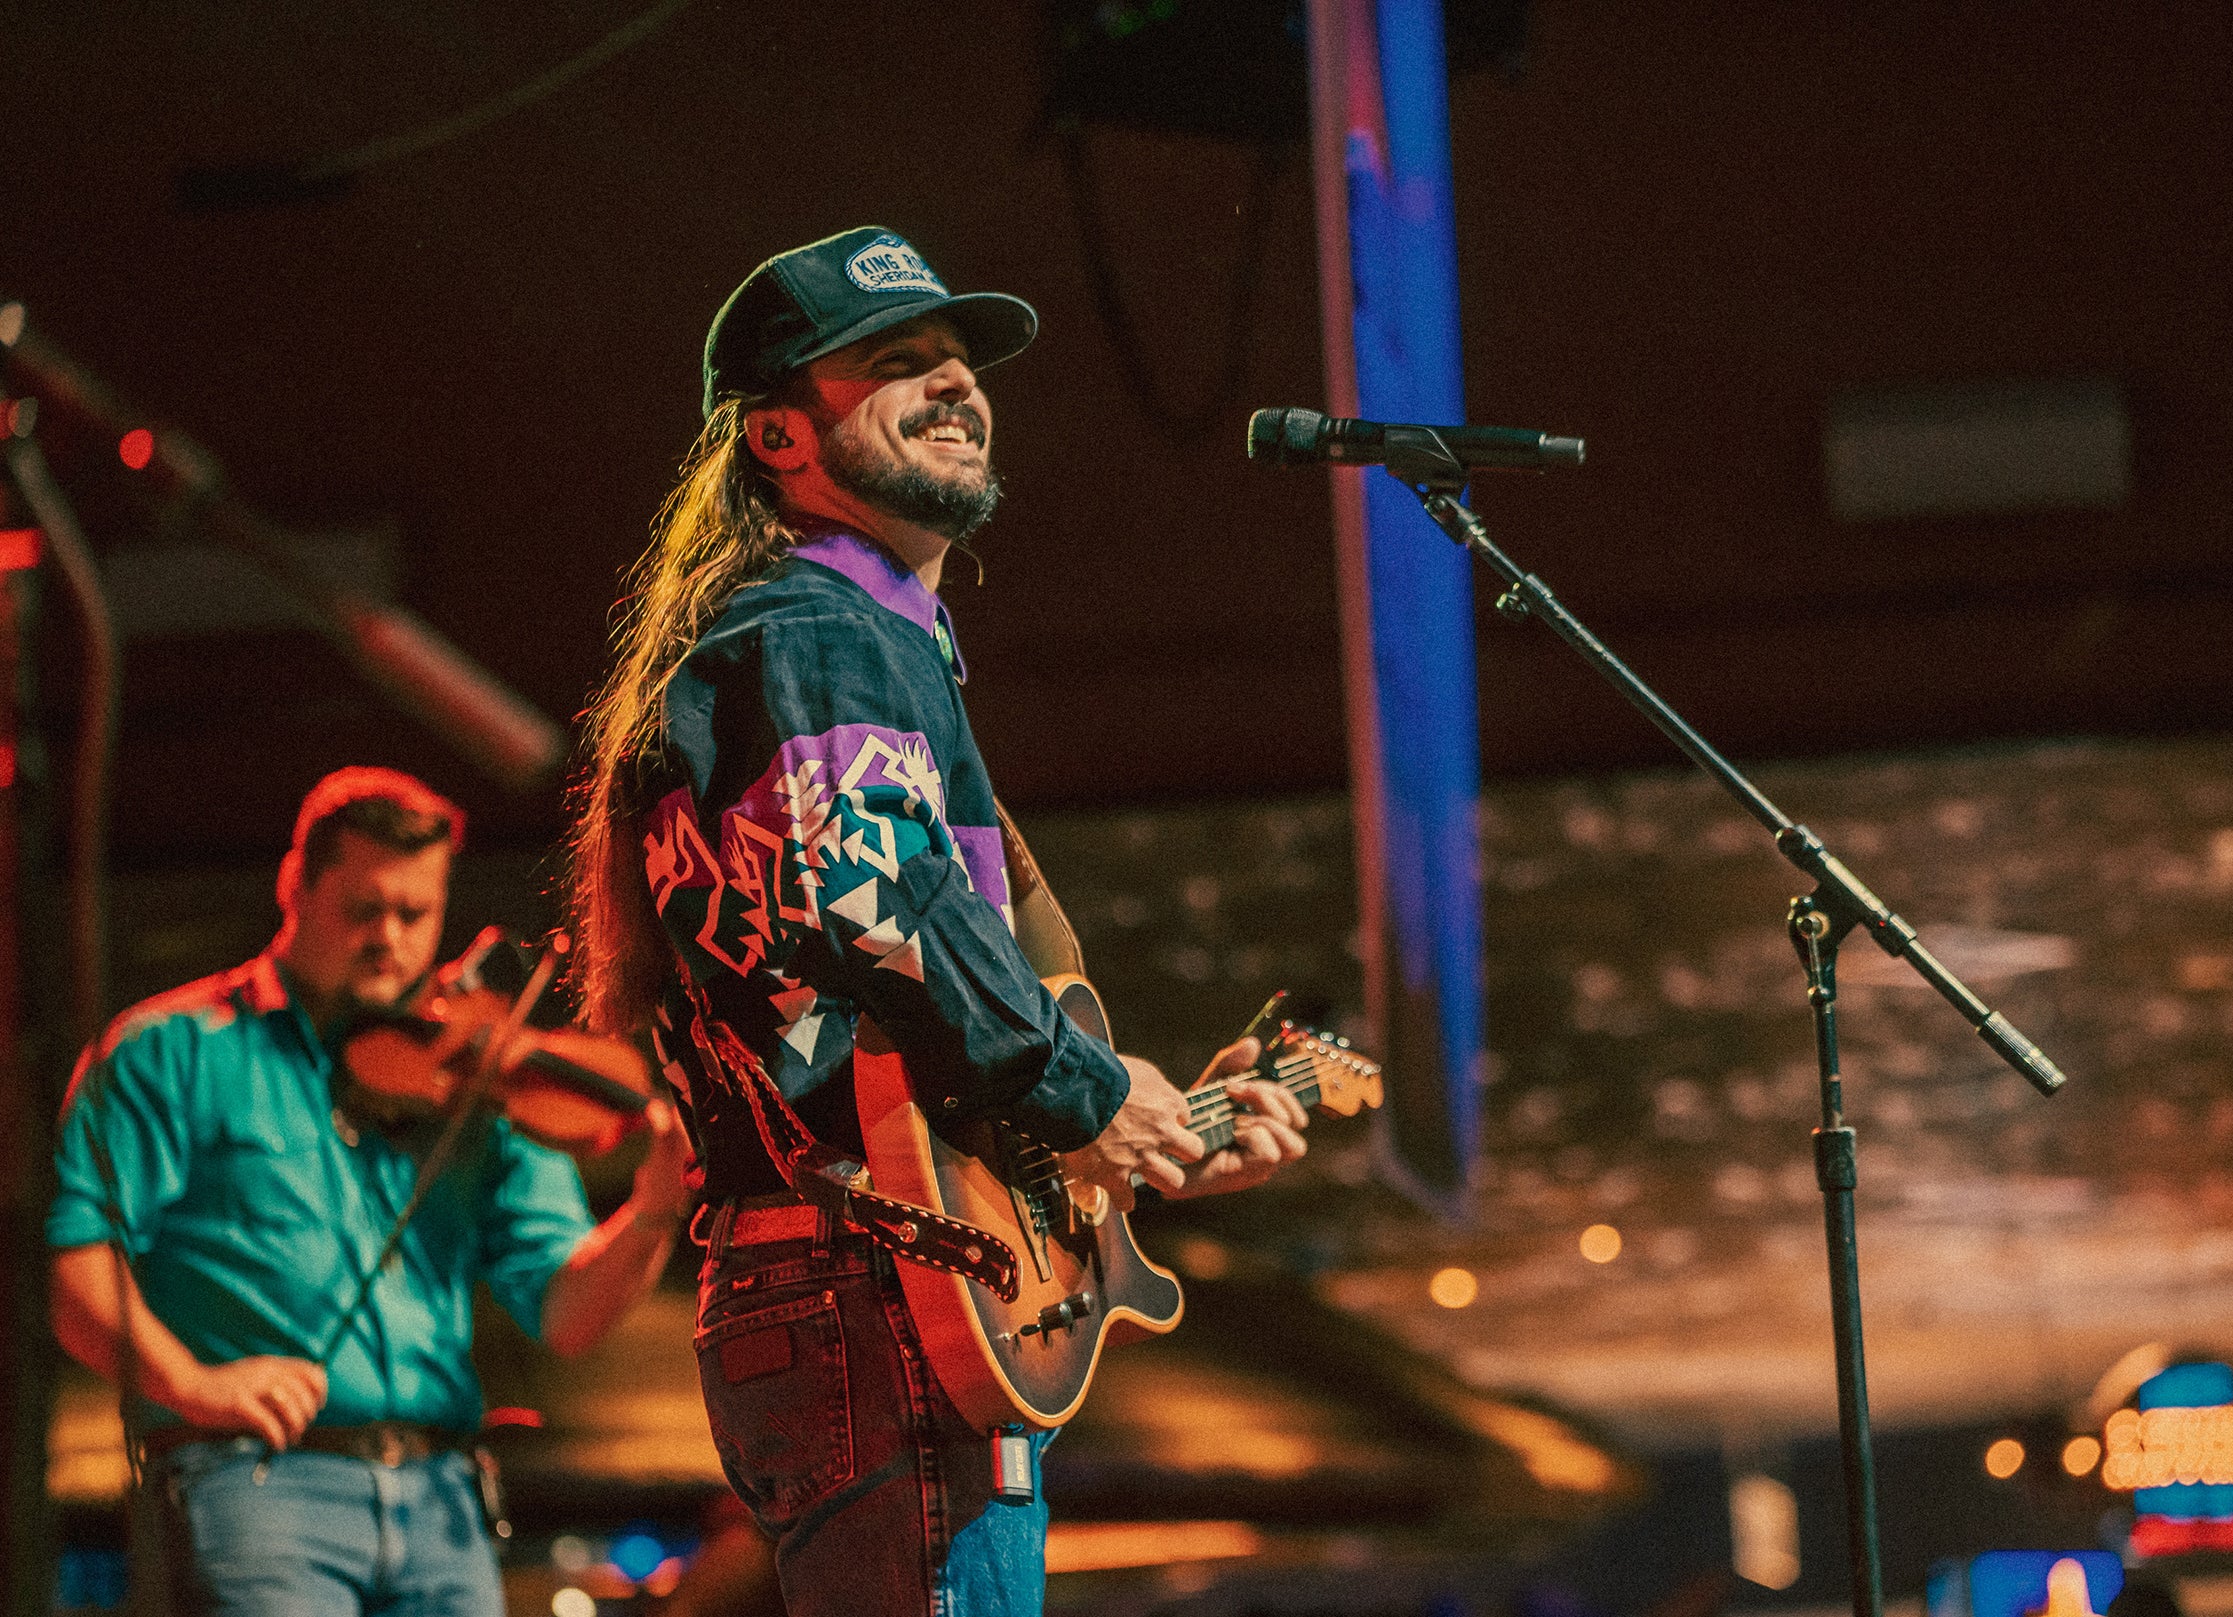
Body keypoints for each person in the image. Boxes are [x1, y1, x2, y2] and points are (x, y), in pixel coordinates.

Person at [569, 227, 1310, 1617]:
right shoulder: (820, 633)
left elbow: (890, 1022)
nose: (956, 383)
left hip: (864, 1279)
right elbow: (872, 895)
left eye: (960, 360)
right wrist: (1085, 1088)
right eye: (896, 364)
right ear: (778, 434)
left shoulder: (841, 637)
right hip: (874, 1293)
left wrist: (1144, 1134)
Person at [48, 766, 691, 1616]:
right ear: (296, 888)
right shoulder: (170, 1051)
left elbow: (567, 1311)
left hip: (446, 1499)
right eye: (364, 908)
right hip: (256, 1483)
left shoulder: (474, 1083)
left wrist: (652, 1211)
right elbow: (73, 1255)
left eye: (415, 914)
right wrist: (194, 1384)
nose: (390, 936)